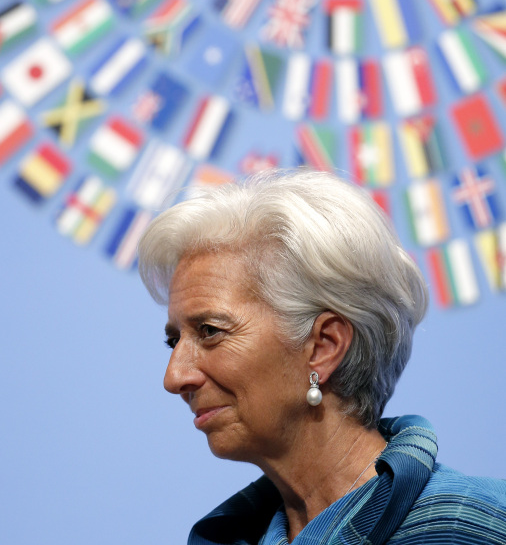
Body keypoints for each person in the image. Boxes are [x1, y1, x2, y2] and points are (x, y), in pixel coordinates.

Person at [138, 169, 506, 544]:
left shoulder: (478, 526)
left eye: (210, 331)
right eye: (173, 341)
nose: (174, 377)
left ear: (324, 347)